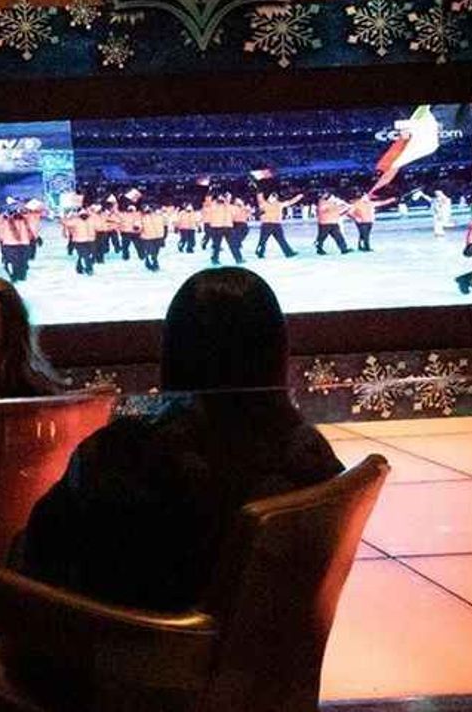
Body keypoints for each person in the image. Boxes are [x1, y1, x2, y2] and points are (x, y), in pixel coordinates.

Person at [20, 268, 342, 611]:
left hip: (122, 638)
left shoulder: (126, 453)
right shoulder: (311, 458)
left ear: (173, 349)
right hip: (259, 644)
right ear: (276, 351)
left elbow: (42, 552)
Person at [256, 192, 302, 258]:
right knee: (263, 240)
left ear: (276, 198)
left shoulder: (279, 204)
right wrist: (259, 191)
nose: (272, 198)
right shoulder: (264, 204)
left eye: (274, 197)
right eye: (271, 197)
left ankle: (289, 253)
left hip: (277, 225)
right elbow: (259, 198)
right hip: (266, 225)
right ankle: (260, 253)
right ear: (269, 198)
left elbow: (290, 202)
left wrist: (297, 198)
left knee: (281, 240)